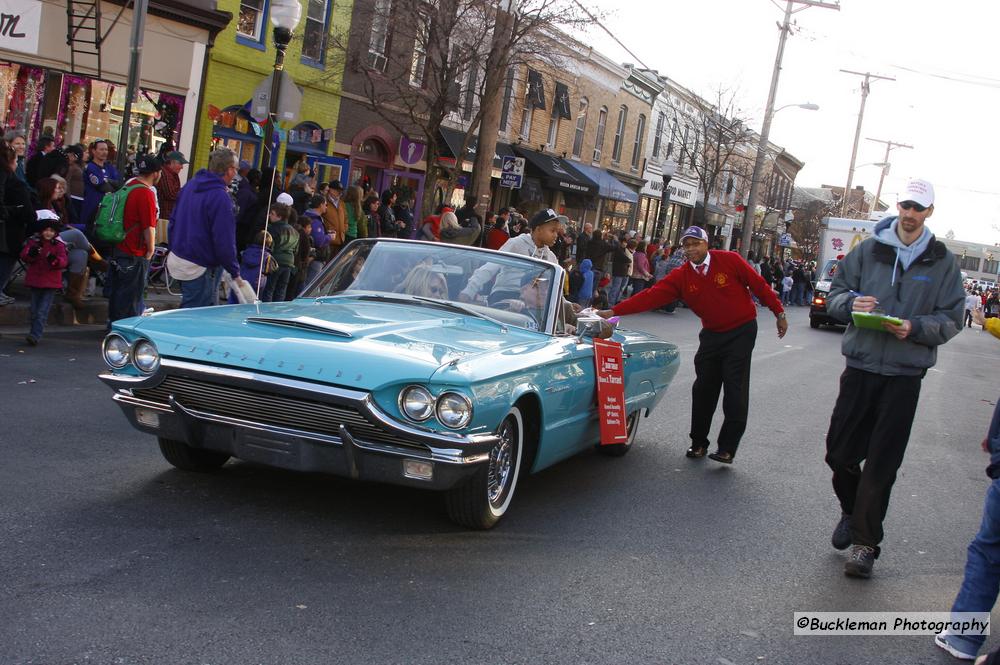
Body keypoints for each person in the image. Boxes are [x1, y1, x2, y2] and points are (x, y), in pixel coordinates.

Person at [823, 179, 964, 579]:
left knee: (882, 464)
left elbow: (952, 318)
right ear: (897, 206)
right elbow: (834, 295)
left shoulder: (943, 262)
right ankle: (852, 512)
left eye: (918, 208)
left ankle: (865, 544)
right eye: (905, 205)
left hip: (904, 375)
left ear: (929, 213)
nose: (909, 213)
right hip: (862, 367)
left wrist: (914, 327)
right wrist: (852, 304)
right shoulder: (869, 249)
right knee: (839, 453)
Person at [597, 225, 787, 464]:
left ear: (707, 244)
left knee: (734, 389)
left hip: (742, 331)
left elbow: (758, 285)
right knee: (703, 389)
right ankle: (698, 443)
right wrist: (613, 310)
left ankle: (727, 448)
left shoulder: (730, 260)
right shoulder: (682, 276)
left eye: (696, 243)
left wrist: (779, 312)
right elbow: (650, 296)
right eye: (686, 245)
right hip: (712, 334)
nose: (691, 249)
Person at [166, 148, 245, 308]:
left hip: (179, 258)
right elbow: (224, 240)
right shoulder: (220, 197)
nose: (235, 174)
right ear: (229, 170)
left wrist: (174, 246)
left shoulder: (190, 185)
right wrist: (235, 271)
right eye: (236, 170)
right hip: (200, 265)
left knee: (190, 311)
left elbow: (172, 221)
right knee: (195, 319)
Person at [459, 208, 563, 305]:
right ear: (538, 229)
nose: (555, 235)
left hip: (533, 303)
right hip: (505, 294)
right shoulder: (516, 243)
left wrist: (566, 303)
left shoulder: (551, 258)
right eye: (552, 231)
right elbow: (492, 266)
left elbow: (555, 288)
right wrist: (469, 291)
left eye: (557, 232)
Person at [106, 155, 161, 326]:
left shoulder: (129, 185)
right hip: (134, 251)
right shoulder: (146, 192)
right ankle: (125, 332)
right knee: (131, 297)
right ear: (156, 173)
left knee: (117, 293)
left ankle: (113, 325)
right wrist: (151, 249)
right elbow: (148, 226)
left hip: (119, 245)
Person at [19, 214, 68, 345]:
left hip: (50, 283)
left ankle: (35, 335)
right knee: (34, 309)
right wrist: (31, 254)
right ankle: (33, 332)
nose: (48, 233)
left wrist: (54, 260)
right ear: (41, 231)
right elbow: (24, 255)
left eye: (51, 231)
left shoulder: (58, 245)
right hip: (35, 280)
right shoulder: (34, 242)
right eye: (46, 230)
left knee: (42, 311)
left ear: (55, 233)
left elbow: (63, 261)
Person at [0, 140, 35, 306]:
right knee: (5, 263)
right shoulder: (14, 183)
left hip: (8, 229)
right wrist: (14, 211)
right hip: (10, 232)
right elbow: (28, 213)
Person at [259, 203, 298, 302]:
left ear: (279, 216)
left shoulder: (272, 229)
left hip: (275, 262)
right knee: (281, 290)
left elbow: (269, 247)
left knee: (269, 289)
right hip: (289, 263)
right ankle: (277, 311)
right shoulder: (295, 231)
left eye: (272, 214)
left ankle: (266, 312)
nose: (269, 216)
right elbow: (296, 250)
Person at [81, 140, 120, 232]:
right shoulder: (90, 167)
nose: (104, 152)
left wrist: (108, 181)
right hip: (92, 206)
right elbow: (102, 186)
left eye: (106, 149)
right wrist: (109, 183)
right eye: (101, 149)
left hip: (107, 207)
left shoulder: (109, 167)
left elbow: (118, 185)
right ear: (94, 151)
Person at [228, 230, 275, 304]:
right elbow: (268, 271)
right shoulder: (267, 256)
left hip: (243, 280)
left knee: (236, 298)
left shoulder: (245, 252)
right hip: (257, 283)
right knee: (252, 303)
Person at [303, 193, 334, 283]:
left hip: (312, 257)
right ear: (320, 205)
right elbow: (319, 241)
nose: (326, 207)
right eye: (325, 204)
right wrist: (329, 237)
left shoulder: (308, 216)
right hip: (316, 258)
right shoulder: (315, 220)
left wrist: (326, 233)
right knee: (310, 286)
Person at [156, 150, 187, 223]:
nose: (182, 167)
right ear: (172, 162)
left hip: (169, 216)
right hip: (163, 217)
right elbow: (171, 194)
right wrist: (186, 192)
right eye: (180, 163)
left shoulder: (173, 174)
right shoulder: (164, 173)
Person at [323, 181, 347, 253]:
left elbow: (346, 220)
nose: (340, 193)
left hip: (340, 240)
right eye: (338, 190)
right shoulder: (324, 202)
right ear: (330, 190)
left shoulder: (342, 203)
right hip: (328, 241)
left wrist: (343, 230)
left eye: (341, 191)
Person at [64, 145, 85, 225]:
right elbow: (67, 182)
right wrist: (68, 197)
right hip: (73, 197)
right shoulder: (71, 167)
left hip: (80, 198)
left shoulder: (80, 166)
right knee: (74, 219)